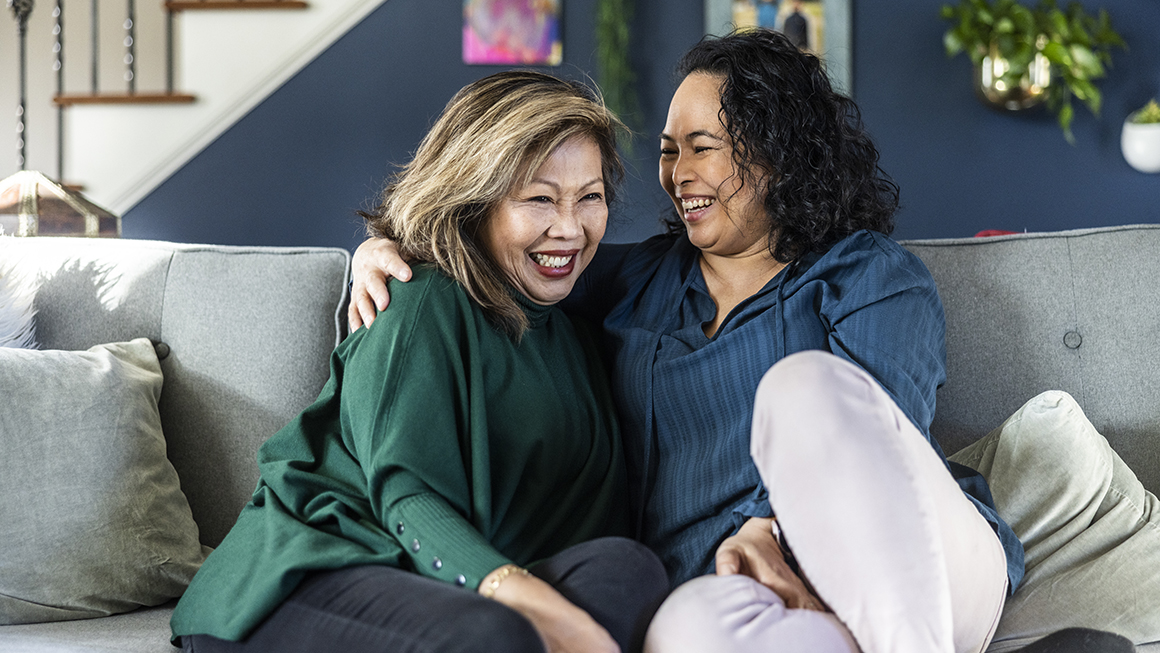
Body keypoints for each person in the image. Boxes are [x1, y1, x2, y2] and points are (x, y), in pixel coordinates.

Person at [348, 30, 1023, 653]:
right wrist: (392, 248)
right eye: (669, 151)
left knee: (802, 389)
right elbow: (508, 258)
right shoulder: (640, 279)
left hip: (918, 563)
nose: (676, 173)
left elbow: (885, 426)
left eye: (702, 146)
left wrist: (769, 522)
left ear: (777, 153)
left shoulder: (867, 275)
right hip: (742, 591)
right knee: (685, 629)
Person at [170, 70, 669, 653]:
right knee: (492, 633)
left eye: (590, 197)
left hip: (445, 587)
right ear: (474, 199)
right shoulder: (419, 298)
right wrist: (543, 609)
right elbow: (407, 495)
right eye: (539, 198)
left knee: (626, 572)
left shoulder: (579, 324)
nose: (569, 228)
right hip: (306, 576)